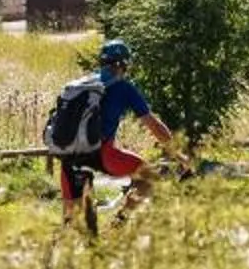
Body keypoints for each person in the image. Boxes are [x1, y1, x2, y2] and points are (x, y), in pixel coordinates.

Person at [57, 39, 180, 235]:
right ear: (123, 64)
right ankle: (118, 224)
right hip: (103, 154)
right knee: (148, 177)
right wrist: (176, 150)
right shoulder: (124, 88)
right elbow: (153, 125)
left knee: (71, 219)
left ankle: (52, 257)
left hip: (69, 156)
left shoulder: (84, 85)